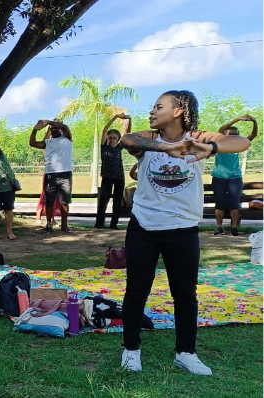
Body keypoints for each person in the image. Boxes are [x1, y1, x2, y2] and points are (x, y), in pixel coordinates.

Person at [118, 90, 250, 375]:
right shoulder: (151, 140)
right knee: (137, 290)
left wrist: (210, 149)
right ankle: (131, 350)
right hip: (144, 226)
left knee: (185, 294)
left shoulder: (199, 137)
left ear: (178, 111)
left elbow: (242, 141)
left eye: (158, 106)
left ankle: (186, 353)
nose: (152, 112)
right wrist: (167, 149)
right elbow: (127, 140)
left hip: (183, 229)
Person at [213, 114, 258, 236]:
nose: (233, 137)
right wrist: (237, 119)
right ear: (225, 136)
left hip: (235, 179)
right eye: (231, 134)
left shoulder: (239, 145)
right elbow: (222, 129)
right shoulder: (219, 143)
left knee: (234, 204)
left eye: (236, 134)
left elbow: (253, 135)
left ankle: (234, 228)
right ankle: (219, 227)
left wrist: (254, 121)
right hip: (219, 178)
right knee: (220, 204)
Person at [29, 119, 74, 233]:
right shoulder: (48, 142)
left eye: (56, 128)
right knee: (49, 201)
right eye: (52, 129)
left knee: (65, 201)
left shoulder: (67, 139)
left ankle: (64, 225)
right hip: (50, 174)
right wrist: (35, 130)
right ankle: (49, 225)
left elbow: (65, 127)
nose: (54, 130)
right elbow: (32, 143)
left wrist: (49, 122)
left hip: (65, 174)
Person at [95, 114, 130, 230]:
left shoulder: (119, 148)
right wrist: (115, 117)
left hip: (119, 177)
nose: (112, 140)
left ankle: (113, 224)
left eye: (114, 138)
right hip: (107, 177)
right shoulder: (104, 147)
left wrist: (130, 120)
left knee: (117, 202)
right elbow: (105, 129)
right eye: (110, 137)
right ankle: (99, 224)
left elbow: (127, 135)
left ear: (118, 139)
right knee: (103, 201)